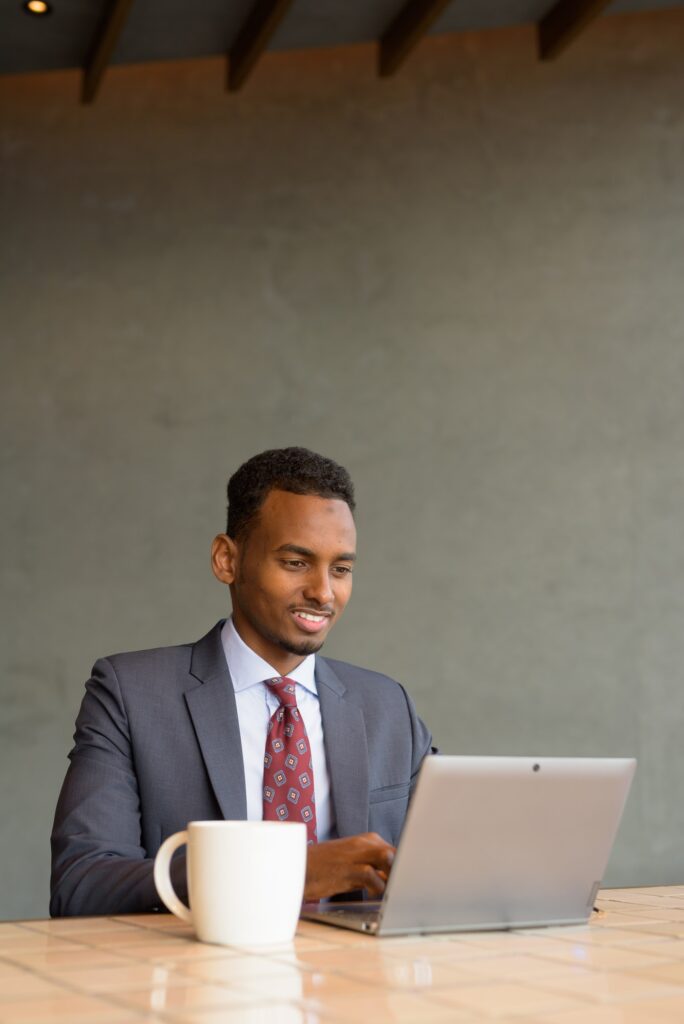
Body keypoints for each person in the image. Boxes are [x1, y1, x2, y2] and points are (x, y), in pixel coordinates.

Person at [50, 447, 434, 916]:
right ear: (227, 560)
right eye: (296, 562)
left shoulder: (387, 705)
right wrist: (285, 870)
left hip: (356, 980)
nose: (323, 591)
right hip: (200, 979)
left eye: (341, 569)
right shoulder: (130, 694)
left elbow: (456, 865)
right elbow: (82, 884)